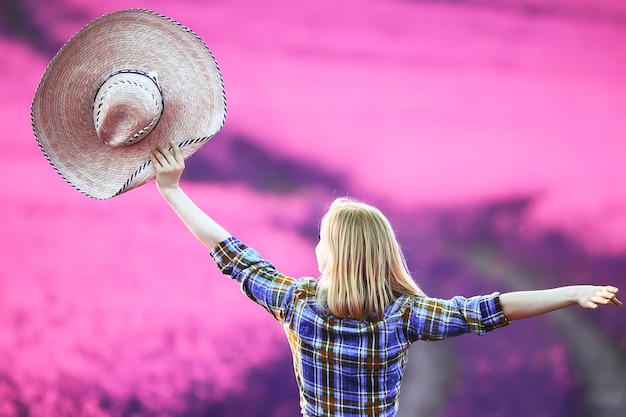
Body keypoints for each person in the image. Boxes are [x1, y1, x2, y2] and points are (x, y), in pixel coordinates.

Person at [150, 142, 622, 417]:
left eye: (321, 237)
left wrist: (171, 190)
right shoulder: (403, 316)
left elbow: (230, 252)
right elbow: (488, 311)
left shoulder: (294, 303)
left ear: (330, 254)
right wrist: (570, 293)